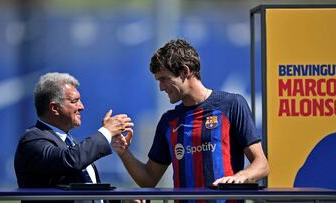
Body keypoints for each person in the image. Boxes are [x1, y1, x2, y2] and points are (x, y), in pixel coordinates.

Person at [111, 39, 269, 197]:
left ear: (185, 71)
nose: (161, 87)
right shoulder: (168, 121)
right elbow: (149, 179)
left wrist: (239, 178)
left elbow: (262, 164)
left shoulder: (232, 105)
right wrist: (124, 152)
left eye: (164, 79)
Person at [14, 72, 133, 203]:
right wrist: (106, 132)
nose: (82, 107)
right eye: (74, 101)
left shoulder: (71, 143)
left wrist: (123, 200)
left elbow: (89, 194)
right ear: (54, 108)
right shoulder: (32, 140)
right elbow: (70, 160)